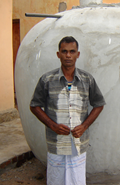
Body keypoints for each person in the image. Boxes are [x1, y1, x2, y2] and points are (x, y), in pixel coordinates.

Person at [29, 36, 106, 185]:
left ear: (78, 54)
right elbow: (34, 106)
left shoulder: (87, 79)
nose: (68, 55)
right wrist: (53, 125)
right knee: (55, 178)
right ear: (58, 54)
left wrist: (84, 126)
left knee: (76, 179)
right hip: (56, 142)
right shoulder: (47, 80)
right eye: (64, 51)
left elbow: (99, 104)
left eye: (72, 51)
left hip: (78, 141)